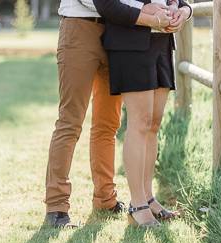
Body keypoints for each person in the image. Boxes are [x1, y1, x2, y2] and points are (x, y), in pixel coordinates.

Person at [44, 0, 174, 228]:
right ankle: (56, 206)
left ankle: (105, 198)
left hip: (118, 33)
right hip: (80, 28)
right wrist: (145, 11)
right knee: (70, 121)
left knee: (108, 124)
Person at [102, 0, 192, 227]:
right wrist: (149, 15)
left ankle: (148, 197)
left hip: (161, 43)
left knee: (153, 124)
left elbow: (179, 2)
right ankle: (137, 204)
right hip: (130, 42)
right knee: (140, 123)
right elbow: (107, 5)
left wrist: (183, 12)